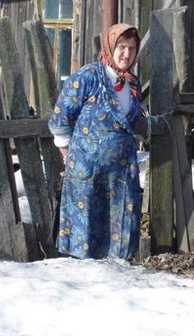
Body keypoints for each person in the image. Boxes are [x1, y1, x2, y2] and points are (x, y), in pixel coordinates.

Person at [48, 23, 144, 259]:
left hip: (120, 177)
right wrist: (70, 158)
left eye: (132, 48)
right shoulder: (88, 76)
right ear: (110, 48)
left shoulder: (132, 84)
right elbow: (60, 118)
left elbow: (131, 121)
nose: (126, 54)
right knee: (84, 242)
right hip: (87, 174)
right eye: (121, 47)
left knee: (119, 237)